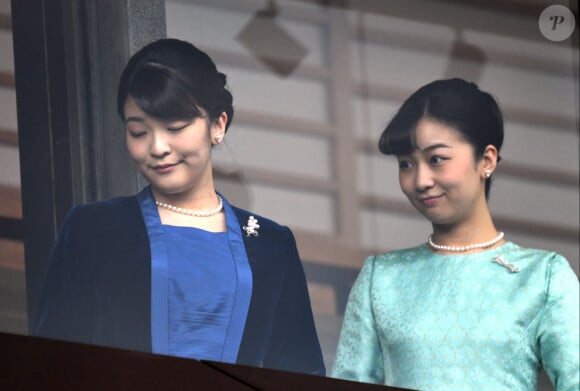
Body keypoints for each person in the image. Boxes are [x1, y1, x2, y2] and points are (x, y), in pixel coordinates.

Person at [32, 38, 325, 376]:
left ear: (217, 125)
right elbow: (50, 365)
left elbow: (302, 376)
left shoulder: (272, 244)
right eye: (139, 131)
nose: (157, 147)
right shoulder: (93, 228)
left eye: (175, 128)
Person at [331, 78, 579, 390]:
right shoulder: (380, 278)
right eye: (406, 164)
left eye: (437, 159)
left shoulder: (542, 277)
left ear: (486, 160)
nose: (420, 180)